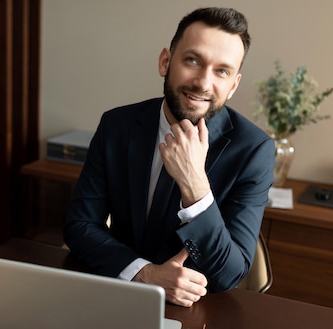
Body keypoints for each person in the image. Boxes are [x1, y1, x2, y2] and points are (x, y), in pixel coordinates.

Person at [63, 7, 274, 307]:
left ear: (233, 86)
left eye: (221, 71)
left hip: (197, 310)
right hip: (118, 294)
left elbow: (229, 274)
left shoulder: (254, 150)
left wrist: (195, 186)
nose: (203, 82)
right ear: (166, 61)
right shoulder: (117, 126)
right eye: (192, 60)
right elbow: (80, 226)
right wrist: (144, 274)